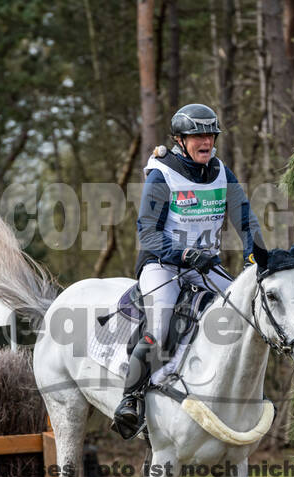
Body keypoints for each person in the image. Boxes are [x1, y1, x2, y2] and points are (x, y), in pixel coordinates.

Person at [113, 103, 264, 435]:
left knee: (250, 312)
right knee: (159, 327)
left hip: (205, 266)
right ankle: (131, 399)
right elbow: (147, 233)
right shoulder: (161, 173)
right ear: (180, 140)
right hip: (163, 266)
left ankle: (245, 396)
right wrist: (183, 255)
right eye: (197, 135)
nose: (206, 141)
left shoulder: (221, 172)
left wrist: (257, 257)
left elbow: (246, 221)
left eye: (210, 134)